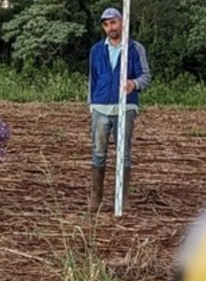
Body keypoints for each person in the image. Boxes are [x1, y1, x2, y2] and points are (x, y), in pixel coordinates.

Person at [87, 6, 151, 213]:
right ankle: (95, 198)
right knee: (98, 153)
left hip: (126, 106)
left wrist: (134, 84)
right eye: (106, 25)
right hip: (100, 107)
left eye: (113, 22)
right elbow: (92, 78)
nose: (110, 28)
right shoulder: (97, 50)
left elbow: (146, 76)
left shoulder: (135, 48)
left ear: (122, 22)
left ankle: (122, 200)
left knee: (123, 154)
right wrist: (91, 104)